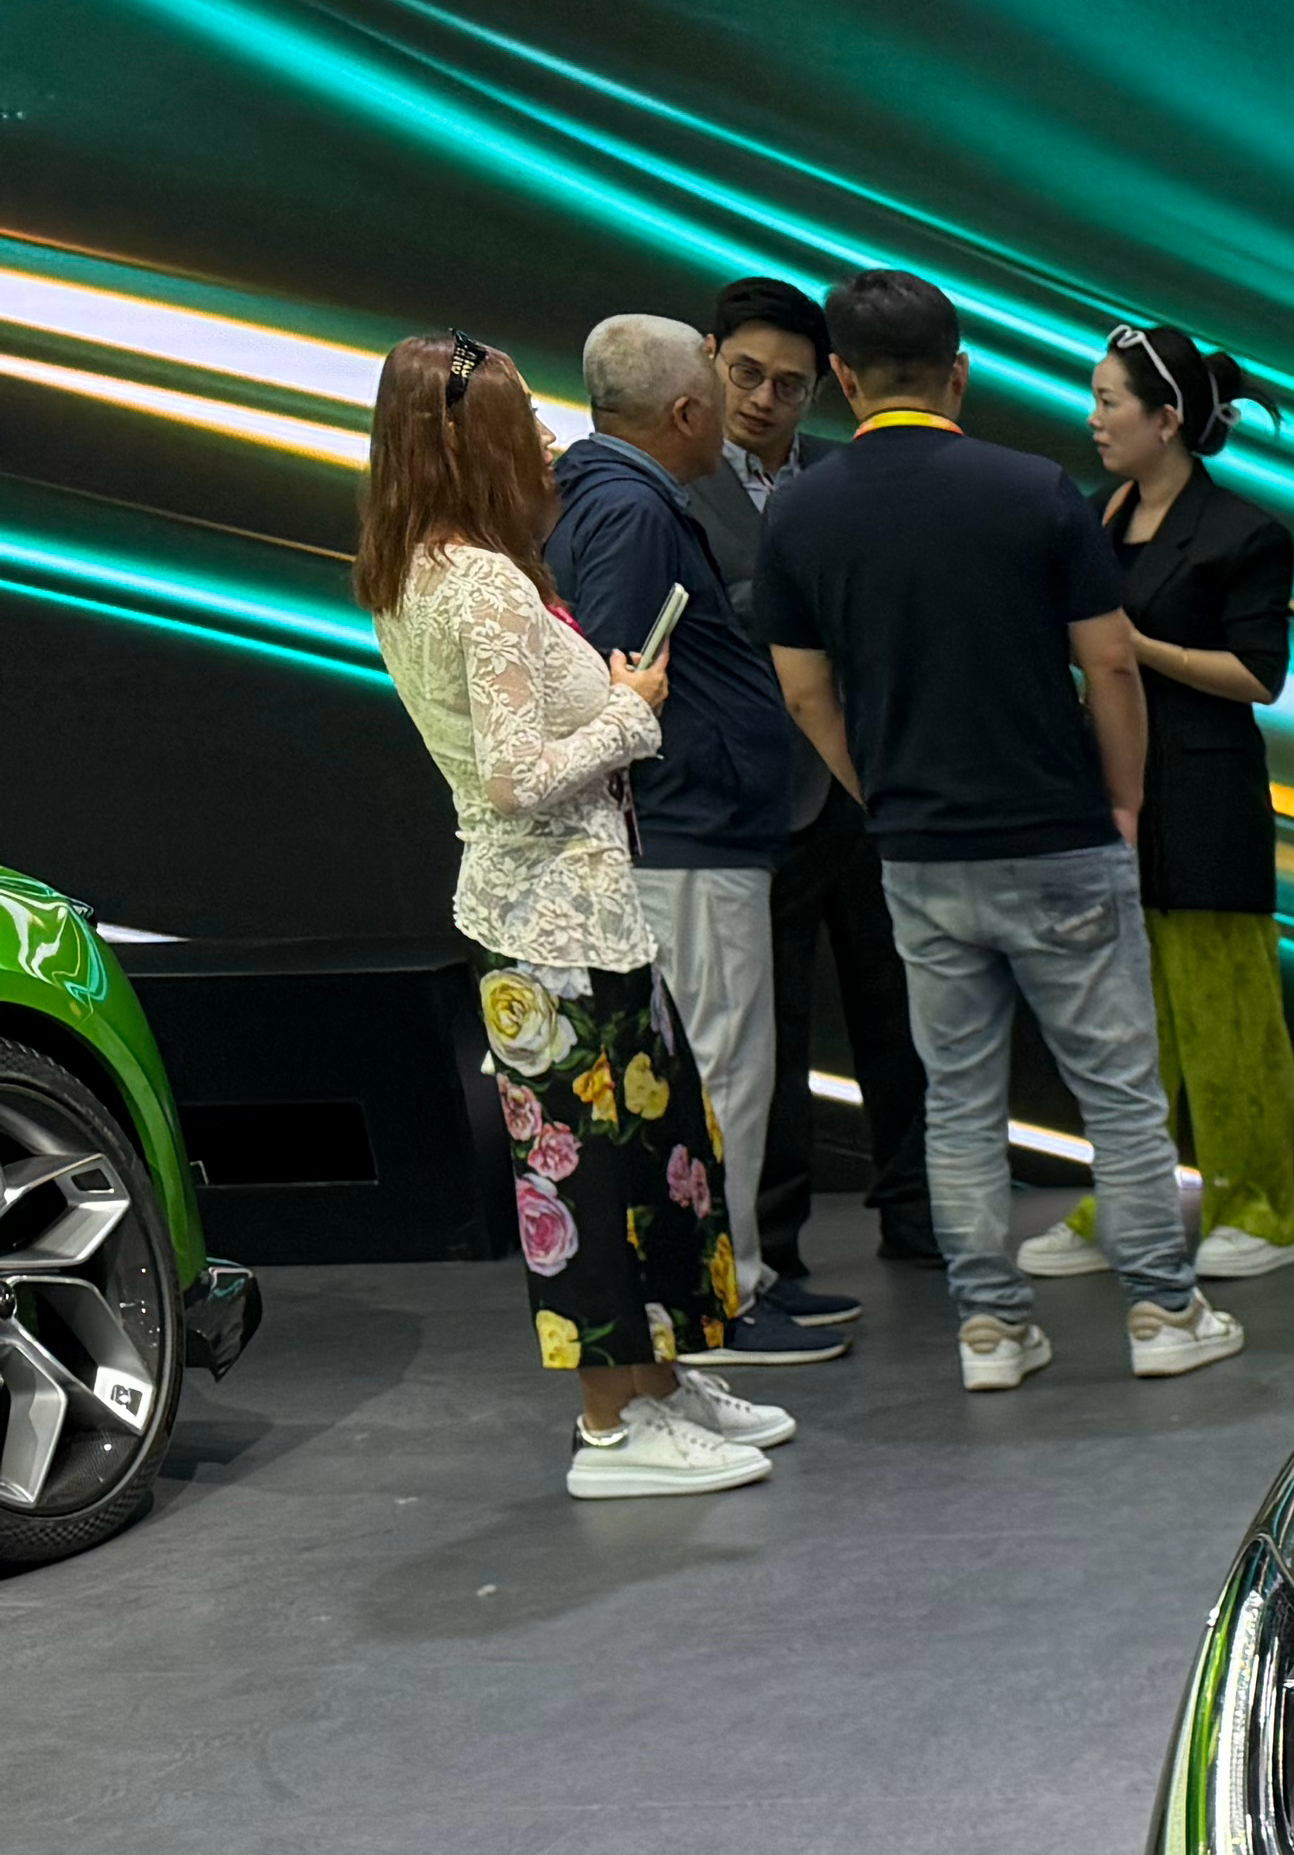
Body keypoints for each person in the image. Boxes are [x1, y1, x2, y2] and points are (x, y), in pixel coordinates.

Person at [754, 268, 1238, 1393]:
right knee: (1119, 1092)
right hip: (1060, 830)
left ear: (841, 379)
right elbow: (1110, 663)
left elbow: (805, 691)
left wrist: (878, 792)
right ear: (959, 373)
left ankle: (989, 1331)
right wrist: (1124, 802)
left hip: (920, 850)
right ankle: (1164, 1312)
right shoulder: (1035, 489)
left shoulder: (802, 512)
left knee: (959, 1102)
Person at [353, 332, 782, 1499]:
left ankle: (658, 1385)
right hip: (554, 929)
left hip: (571, 919)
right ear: (466, 443)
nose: (549, 440)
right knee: (588, 1179)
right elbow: (512, 778)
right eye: (523, 421)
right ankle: (613, 1423)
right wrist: (633, 713)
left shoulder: (419, 571)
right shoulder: (483, 586)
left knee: (640, 1158)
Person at [544, 315, 839, 1361]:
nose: (738, 414)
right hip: (690, 835)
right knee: (721, 1073)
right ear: (683, 412)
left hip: (693, 832)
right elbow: (614, 676)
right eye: (720, 395)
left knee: (712, 1069)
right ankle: (723, 1297)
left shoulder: (609, 495)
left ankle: (731, 1280)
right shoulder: (632, 509)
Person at [1041, 321, 1294, 1281]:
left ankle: (1259, 1209)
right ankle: (1125, 1200)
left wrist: (1131, 648)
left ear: (1167, 420)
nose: (1094, 416)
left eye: (1109, 400)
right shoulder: (1091, 518)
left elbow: (1258, 675)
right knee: (1118, 1017)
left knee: (1226, 1012)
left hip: (1204, 794)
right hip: (1105, 790)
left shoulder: (1244, 533)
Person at [707, 270, 934, 1282]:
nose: (764, 399)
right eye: (746, 373)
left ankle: (919, 1211)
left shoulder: (852, 475)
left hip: (874, 781)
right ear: (709, 363)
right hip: (754, 800)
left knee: (908, 1014)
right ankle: (775, 1243)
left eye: (790, 384)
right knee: (772, 1032)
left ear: (829, 385)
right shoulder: (667, 484)